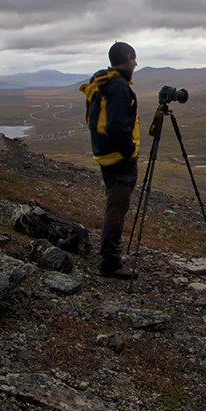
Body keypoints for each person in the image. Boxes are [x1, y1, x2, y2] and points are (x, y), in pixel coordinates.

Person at [80, 42, 140, 278]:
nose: (136, 63)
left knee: (115, 205)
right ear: (126, 58)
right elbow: (117, 125)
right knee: (117, 208)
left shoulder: (103, 81)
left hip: (106, 155)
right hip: (119, 159)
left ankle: (111, 256)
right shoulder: (118, 86)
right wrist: (129, 151)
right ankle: (111, 263)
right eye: (134, 58)